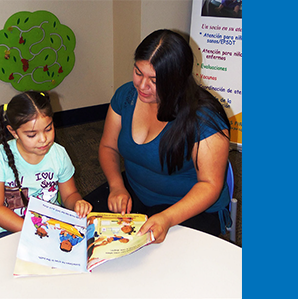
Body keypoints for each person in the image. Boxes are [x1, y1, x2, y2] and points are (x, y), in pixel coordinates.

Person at [84, 29, 231, 244]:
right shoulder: (126, 96)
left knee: (148, 265)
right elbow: (108, 147)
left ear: (177, 79)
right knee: (78, 231)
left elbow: (209, 185)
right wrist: (116, 186)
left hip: (189, 208)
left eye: (155, 80)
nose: (142, 86)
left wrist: (168, 217)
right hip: (135, 191)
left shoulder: (206, 119)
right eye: (138, 72)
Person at [0, 91, 92, 241]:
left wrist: (77, 203)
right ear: (13, 132)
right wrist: (31, 229)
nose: (43, 139)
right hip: (11, 228)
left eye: (48, 129)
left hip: (52, 225)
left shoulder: (58, 154)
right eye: (32, 135)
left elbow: (69, 195)